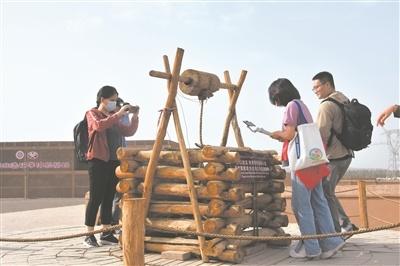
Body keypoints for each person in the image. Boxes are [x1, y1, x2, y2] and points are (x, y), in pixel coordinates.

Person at [268, 78, 345, 259]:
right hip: (314, 160)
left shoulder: (290, 107)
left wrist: (274, 134)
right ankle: (330, 243)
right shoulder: (301, 105)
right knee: (318, 201)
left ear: (277, 96)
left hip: (302, 162)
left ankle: (311, 248)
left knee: (301, 205)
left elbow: (288, 134)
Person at [84, 86, 139, 247]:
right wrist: (119, 113)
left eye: (116, 99)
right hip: (98, 160)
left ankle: (106, 232)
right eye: (112, 99)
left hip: (114, 162)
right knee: (96, 197)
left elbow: (128, 131)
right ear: (103, 99)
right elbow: (99, 126)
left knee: (109, 197)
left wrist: (134, 116)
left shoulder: (112, 116)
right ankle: (89, 234)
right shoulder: (92, 113)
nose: (114, 102)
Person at [312, 71, 357, 233]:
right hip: (347, 154)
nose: (315, 91)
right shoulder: (343, 99)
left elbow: (320, 135)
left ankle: (343, 228)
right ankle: (343, 226)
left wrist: (312, 159)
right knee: (327, 192)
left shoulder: (326, 106)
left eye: (317, 87)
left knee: (325, 192)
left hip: (334, 157)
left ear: (328, 84)